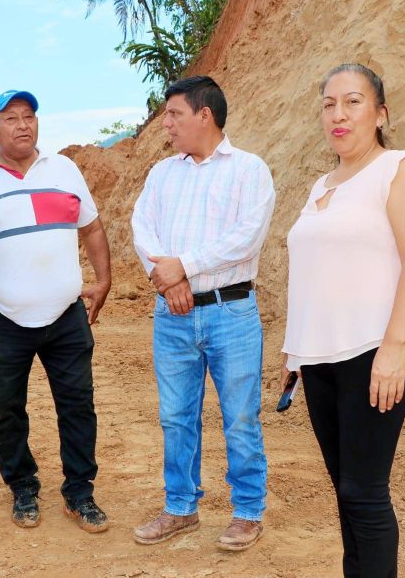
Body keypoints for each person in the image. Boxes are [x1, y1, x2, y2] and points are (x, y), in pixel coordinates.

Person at [0, 89, 111, 534]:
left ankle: (80, 492)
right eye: (11, 117)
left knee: (78, 405)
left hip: (65, 315)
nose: (23, 124)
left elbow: (92, 227)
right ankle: (22, 486)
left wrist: (104, 279)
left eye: (29, 116)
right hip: (2, 319)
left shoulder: (64, 169)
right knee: (6, 408)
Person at [131, 75, 275, 550]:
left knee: (239, 417)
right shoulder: (162, 174)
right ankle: (180, 507)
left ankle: (248, 511)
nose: (166, 124)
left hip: (230, 312)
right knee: (175, 415)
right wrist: (169, 279)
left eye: (173, 114)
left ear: (204, 115)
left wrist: (183, 268)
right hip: (171, 316)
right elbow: (142, 229)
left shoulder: (249, 170)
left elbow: (246, 237)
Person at [282, 63, 405, 578]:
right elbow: (315, 270)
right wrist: (294, 352)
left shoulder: (396, 168)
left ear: (379, 113)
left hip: (371, 353)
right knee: (346, 490)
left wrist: (394, 348)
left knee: (365, 491)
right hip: (319, 359)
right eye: (329, 103)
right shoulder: (322, 183)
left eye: (353, 101)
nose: (339, 114)